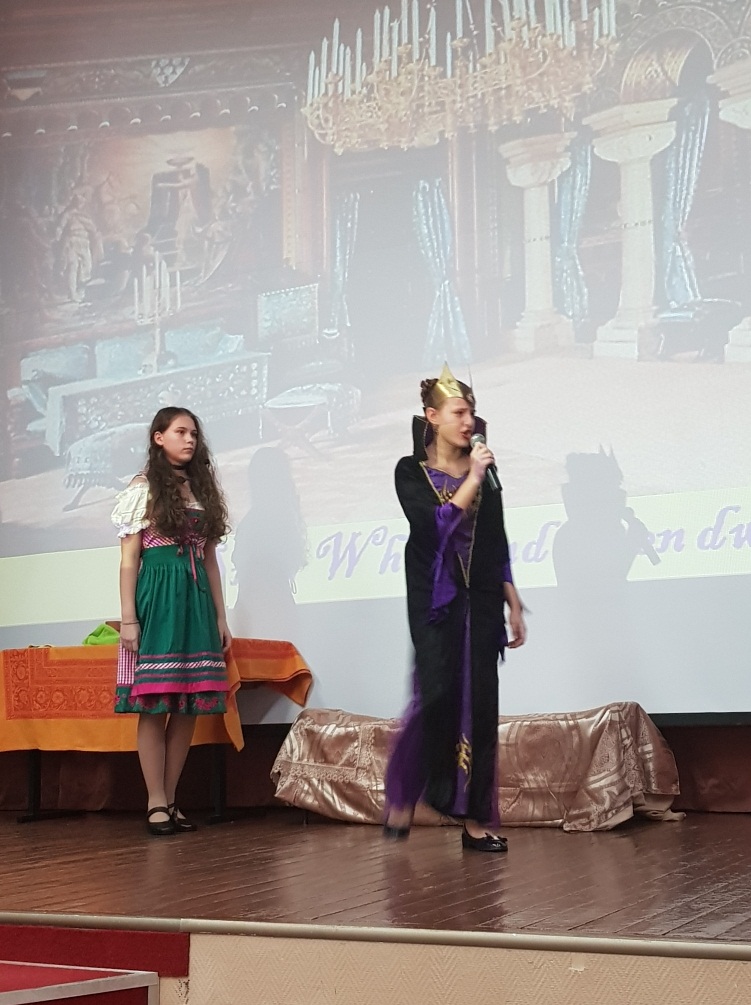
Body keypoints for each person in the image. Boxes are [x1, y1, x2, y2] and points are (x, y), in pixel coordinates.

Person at [383, 364, 526, 853]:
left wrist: (513, 601)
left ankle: (475, 820)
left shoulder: (485, 474)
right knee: (437, 694)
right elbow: (437, 524)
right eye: (458, 413)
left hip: (481, 598)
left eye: (471, 413)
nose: (468, 422)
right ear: (432, 417)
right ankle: (405, 791)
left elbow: (496, 540)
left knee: (481, 704)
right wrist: (476, 474)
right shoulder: (410, 472)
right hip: (435, 600)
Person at [111, 407, 232, 836]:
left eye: (194, 433)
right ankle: (155, 801)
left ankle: (173, 798)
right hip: (158, 597)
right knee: (155, 702)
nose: (190, 440)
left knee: (188, 704)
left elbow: (210, 560)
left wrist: (220, 616)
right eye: (181, 432)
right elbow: (129, 561)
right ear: (158, 437)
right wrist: (129, 619)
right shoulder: (142, 489)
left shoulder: (201, 489)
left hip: (195, 601)